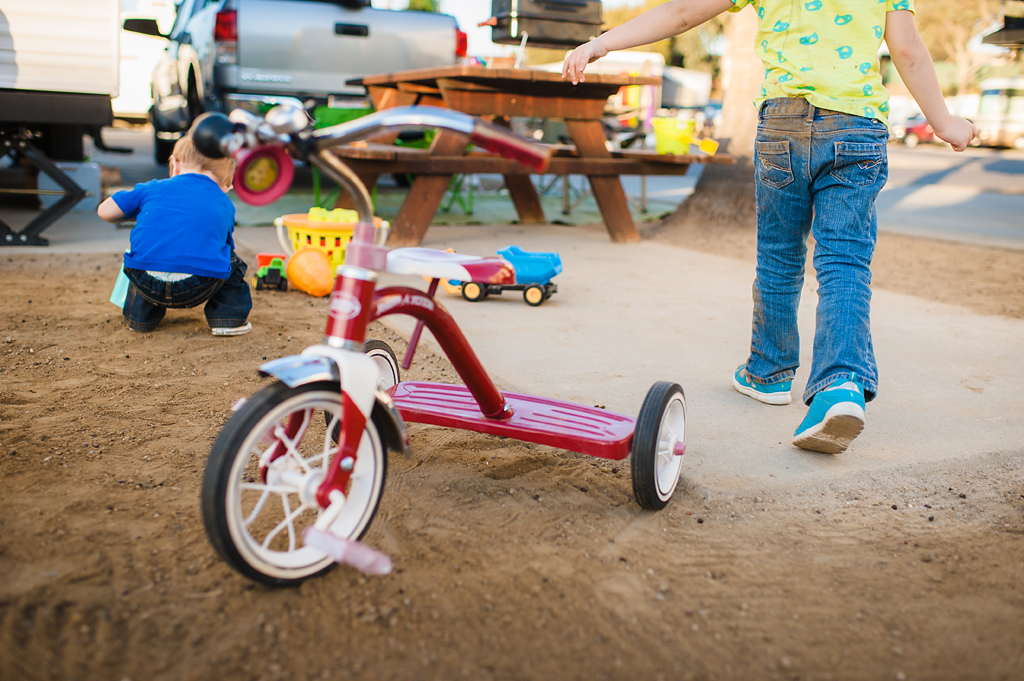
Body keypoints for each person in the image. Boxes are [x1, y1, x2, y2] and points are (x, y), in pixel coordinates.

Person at [563, 0, 975, 454]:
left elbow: (681, 12)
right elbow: (908, 51)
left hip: (784, 124)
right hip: (857, 128)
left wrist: (602, 43)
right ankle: (841, 385)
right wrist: (944, 122)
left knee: (780, 253)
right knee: (844, 261)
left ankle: (769, 373)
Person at [97, 129, 253, 336]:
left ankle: (139, 319)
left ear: (176, 164)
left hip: (146, 282)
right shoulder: (224, 202)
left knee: (144, 253)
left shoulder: (151, 189)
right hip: (199, 286)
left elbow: (104, 212)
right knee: (231, 260)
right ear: (225, 184)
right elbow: (219, 242)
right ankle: (228, 320)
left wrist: (143, 213)